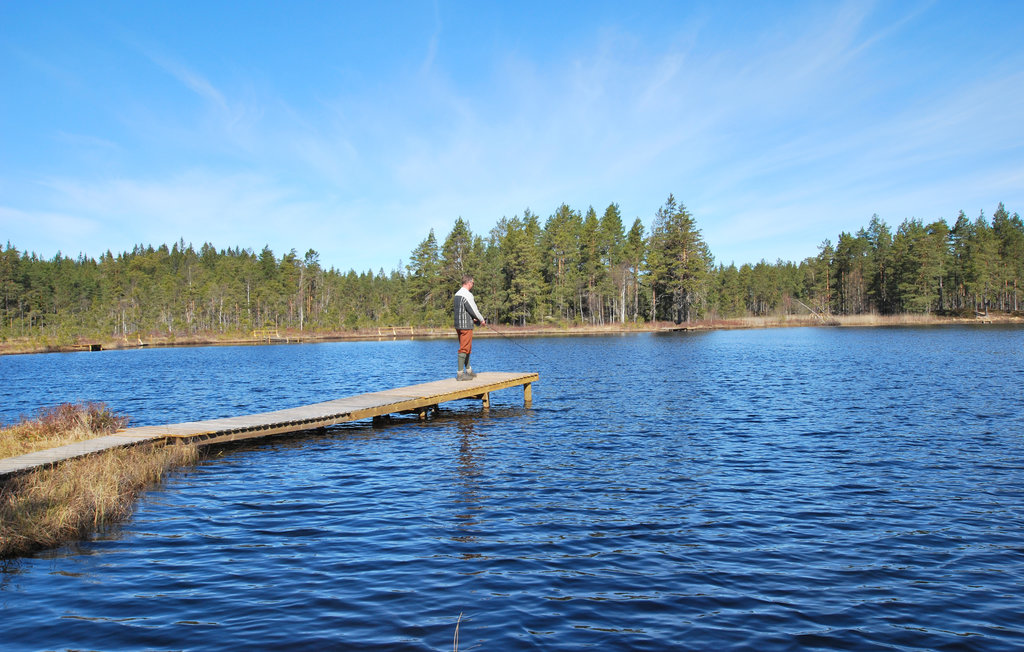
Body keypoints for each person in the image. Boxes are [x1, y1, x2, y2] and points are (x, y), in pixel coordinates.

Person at [453, 275, 486, 381]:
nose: (473, 285)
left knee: (466, 348)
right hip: (466, 326)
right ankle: (460, 374)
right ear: (469, 283)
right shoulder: (467, 295)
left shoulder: (457, 294)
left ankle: (469, 371)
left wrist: (473, 318)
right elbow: (474, 310)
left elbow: (464, 311)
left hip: (458, 325)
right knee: (464, 349)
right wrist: (481, 319)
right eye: (473, 283)